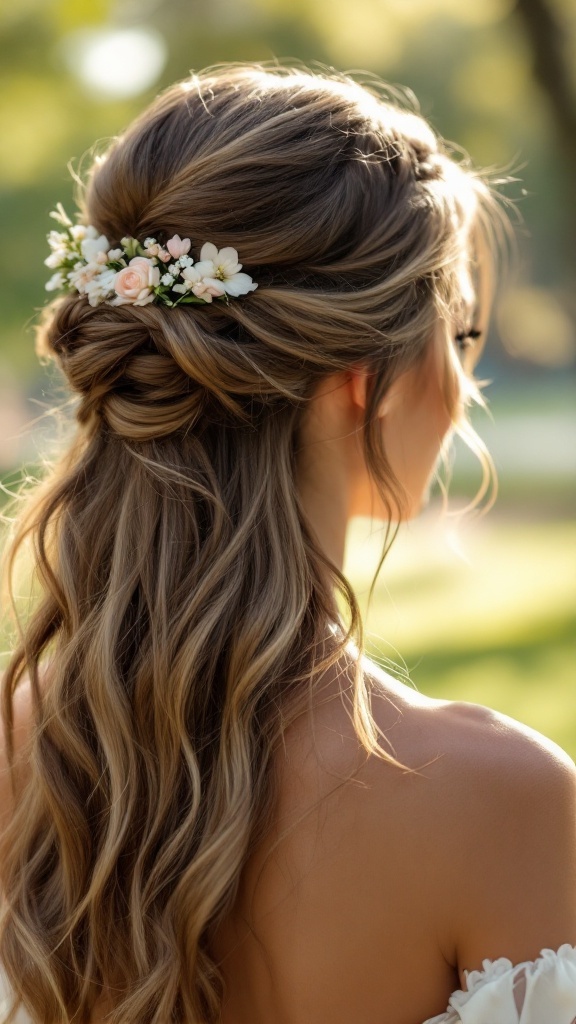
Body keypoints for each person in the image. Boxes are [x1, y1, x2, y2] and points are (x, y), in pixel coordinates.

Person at [0, 63, 575, 1024]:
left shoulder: (18, 752)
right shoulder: (502, 801)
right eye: (460, 336)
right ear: (364, 382)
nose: (465, 388)